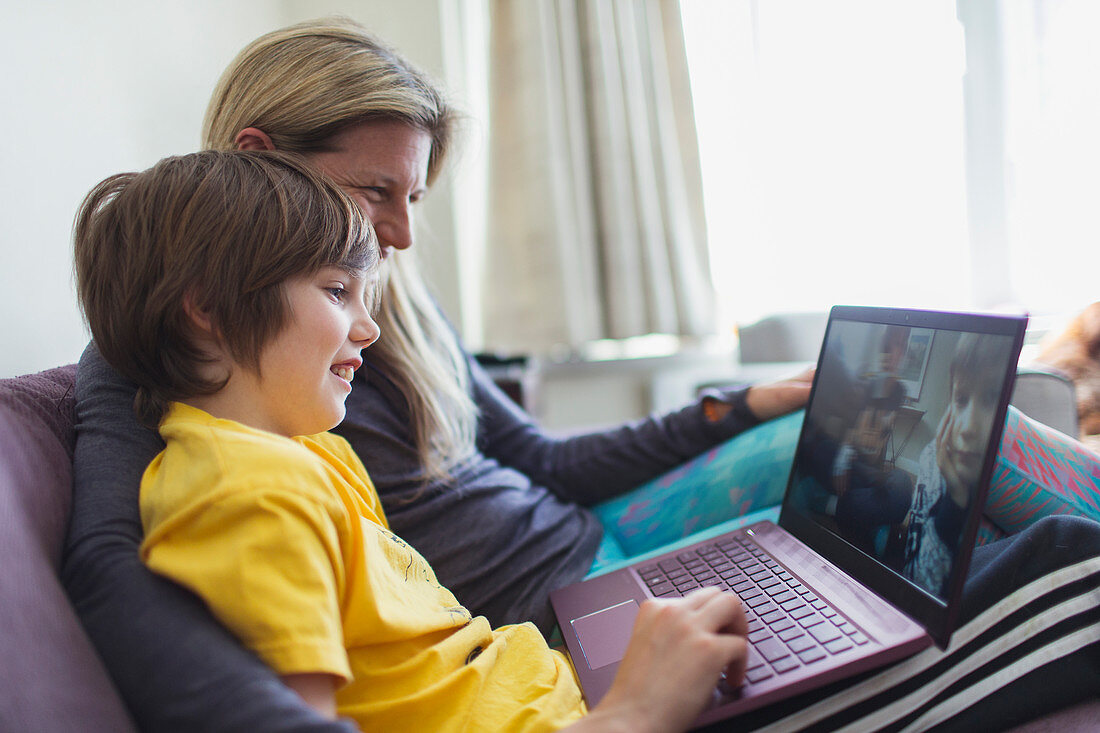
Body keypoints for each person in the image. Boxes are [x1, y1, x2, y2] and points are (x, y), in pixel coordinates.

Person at [61, 16, 1100, 733]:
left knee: (928, 498)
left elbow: (538, 464)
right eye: (372, 200)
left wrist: (737, 403)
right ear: (262, 158)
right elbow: (129, 566)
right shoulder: (226, 425)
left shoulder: (313, 418)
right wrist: (631, 704)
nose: (399, 244)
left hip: (566, 645)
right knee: (999, 508)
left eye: (413, 198)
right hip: (560, 627)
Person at [73, 148, 751, 733]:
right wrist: (633, 712)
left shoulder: (308, 449)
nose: (367, 328)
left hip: (563, 687)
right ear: (208, 309)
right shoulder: (247, 495)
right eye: (337, 290)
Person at [902, 334, 1011, 596]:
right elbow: (916, 575)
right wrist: (952, 499)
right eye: (961, 399)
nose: (968, 427)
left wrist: (956, 503)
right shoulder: (932, 457)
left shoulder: (1000, 468)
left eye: (989, 399)